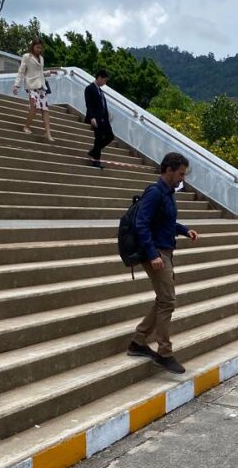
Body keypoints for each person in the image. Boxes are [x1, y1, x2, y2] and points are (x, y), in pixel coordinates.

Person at [127, 152, 199, 374]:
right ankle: (164, 352)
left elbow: (166, 222)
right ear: (168, 170)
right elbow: (142, 224)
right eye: (180, 173)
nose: (182, 179)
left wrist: (185, 230)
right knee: (168, 301)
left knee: (163, 299)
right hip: (156, 253)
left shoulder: (167, 194)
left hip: (165, 250)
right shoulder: (155, 192)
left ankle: (138, 341)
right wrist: (153, 254)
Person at [13, 38, 57, 142]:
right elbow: (21, 72)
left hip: (41, 87)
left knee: (45, 110)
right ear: (33, 46)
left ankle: (48, 133)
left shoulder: (41, 58)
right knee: (34, 106)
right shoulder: (26, 57)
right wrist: (16, 85)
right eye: (37, 47)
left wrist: (49, 72)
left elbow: (40, 72)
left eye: (40, 48)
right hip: (31, 86)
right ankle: (26, 126)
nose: (39, 50)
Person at [84, 70, 114, 168]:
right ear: (99, 77)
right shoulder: (89, 88)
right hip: (96, 118)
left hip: (104, 118)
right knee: (99, 138)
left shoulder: (100, 91)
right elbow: (89, 104)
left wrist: (107, 113)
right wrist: (92, 117)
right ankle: (96, 160)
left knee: (110, 136)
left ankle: (94, 152)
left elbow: (103, 105)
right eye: (104, 80)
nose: (105, 83)